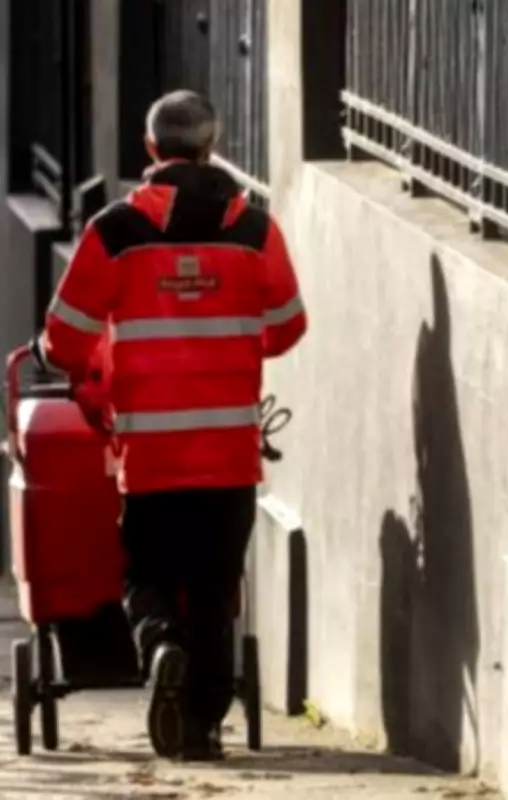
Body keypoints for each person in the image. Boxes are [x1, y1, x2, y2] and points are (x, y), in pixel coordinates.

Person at [32, 90, 307, 761]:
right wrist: (231, 336)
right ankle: (203, 730)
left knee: (145, 572)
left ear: (150, 149)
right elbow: (287, 326)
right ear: (211, 148)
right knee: (215, 588)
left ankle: (159, 644)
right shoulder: (255, 231)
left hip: (150, 453)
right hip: (228, 451)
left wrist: (57, 354)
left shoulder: (115, 231)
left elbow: (65, 339)